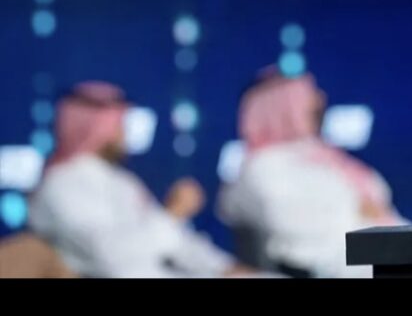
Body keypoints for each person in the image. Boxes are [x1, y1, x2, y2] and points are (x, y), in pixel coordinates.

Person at [28, 81, 247, 278]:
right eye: (118, 125)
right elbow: (112, 257)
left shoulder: (123, 182)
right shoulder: (62, 184)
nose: (124, 134)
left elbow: (178, 242)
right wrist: (173, 212)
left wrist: (224, 267)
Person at [217, 68, 404, 278]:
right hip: (335, 263)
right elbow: (292, 222)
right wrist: (354, 207)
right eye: (307, 96)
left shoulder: (324, 155)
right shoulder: (263, 164)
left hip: (386, 248)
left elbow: (378, 199)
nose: (319, 100)